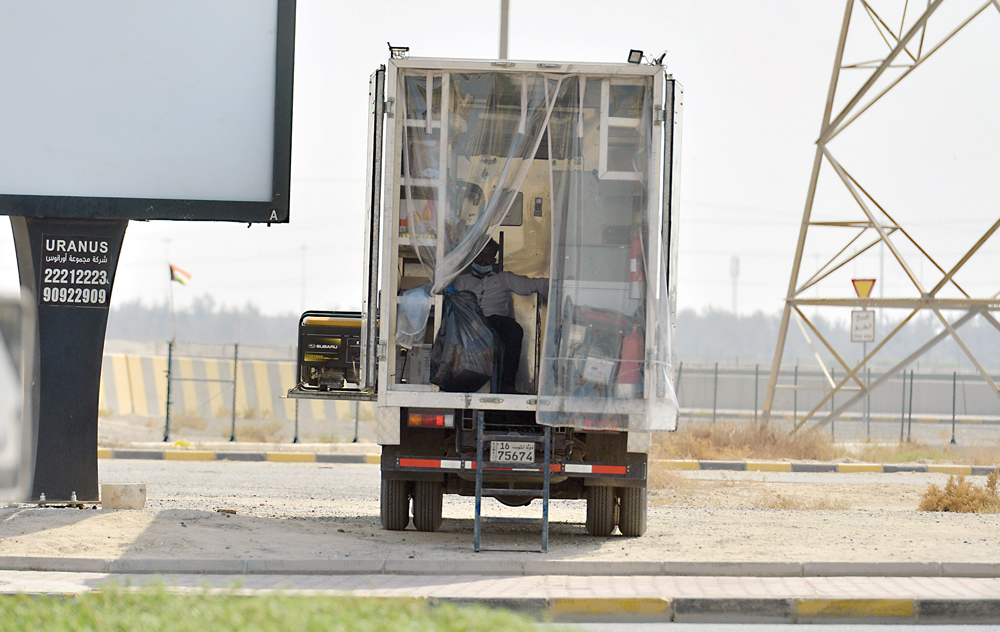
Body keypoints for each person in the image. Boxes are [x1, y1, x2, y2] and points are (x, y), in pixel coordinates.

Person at [452, 238, 548, 394]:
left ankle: (507, 385)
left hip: (494, 321)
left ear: (494, 260)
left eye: (487, 256)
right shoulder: (462, 281)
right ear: (473, 257)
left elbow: (535, 285)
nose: (483, 260)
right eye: (480, 255)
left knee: (515, 330)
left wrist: (561, 286)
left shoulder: (503, 279)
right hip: (469, 323)